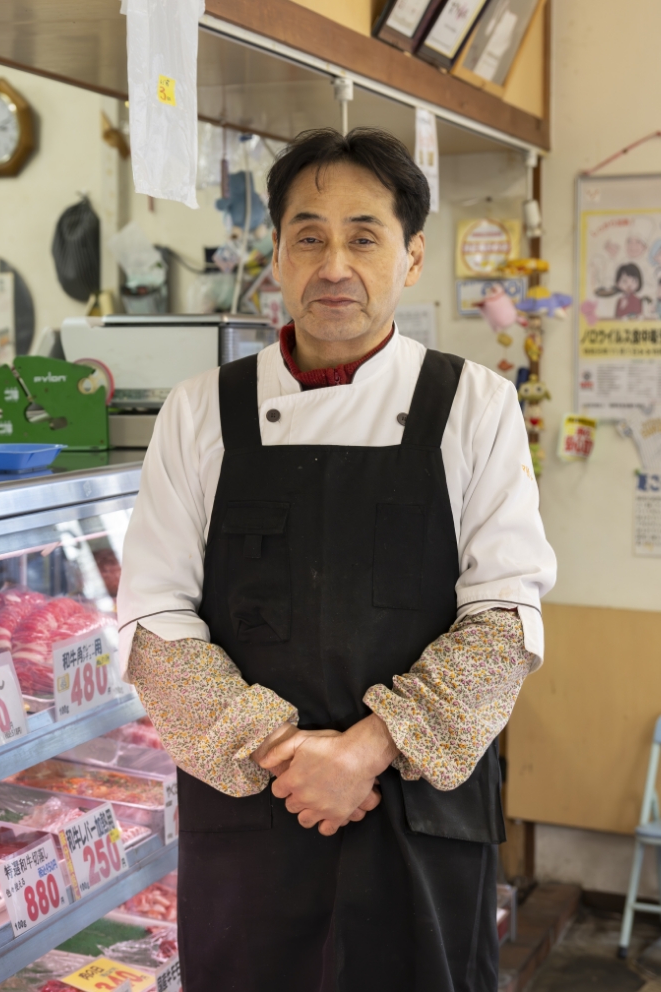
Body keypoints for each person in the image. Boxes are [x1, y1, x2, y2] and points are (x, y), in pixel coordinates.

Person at [116, 127, 556, 992]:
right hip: (253, 805)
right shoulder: (202, 410)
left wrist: (365, 752)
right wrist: (286, 752)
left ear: (412, 254)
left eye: (365, 236)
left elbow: (505, 617)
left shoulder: (474, 404)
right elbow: (155, 620)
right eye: (308, 236)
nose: (334, 265)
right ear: (274, 253)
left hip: (420, 806)